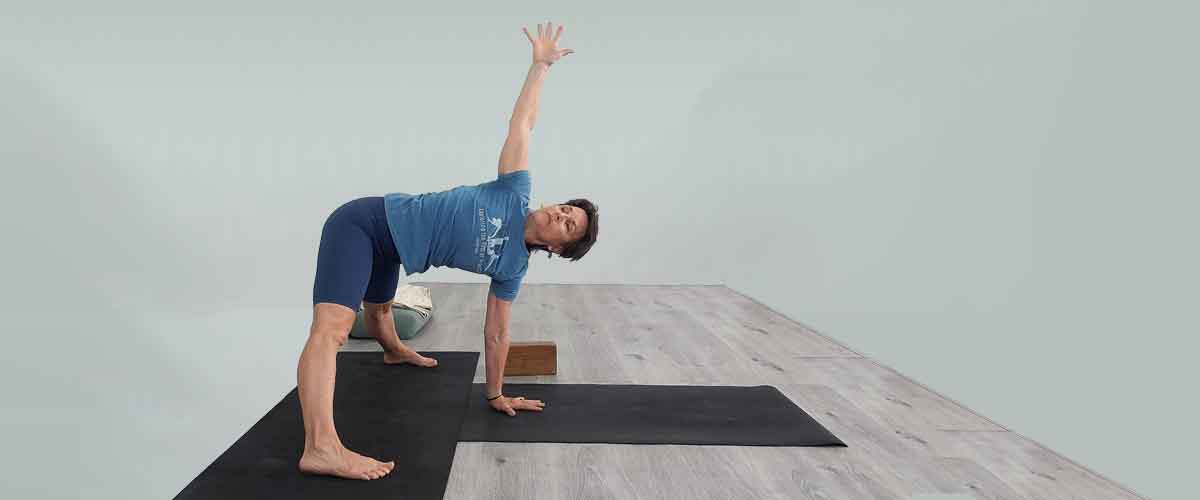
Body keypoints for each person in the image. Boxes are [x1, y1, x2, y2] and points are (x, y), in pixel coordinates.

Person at [296, 21, 596, 480]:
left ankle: (394, 350)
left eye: (569, 224)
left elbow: (497, 332)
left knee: (379, 317)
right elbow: (524, 123)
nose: (560, 214)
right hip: (364, 223)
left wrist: (495, 394)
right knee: (332, 330)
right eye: (565, 208)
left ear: (559, 248)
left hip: (392, 252)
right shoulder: (514, 189)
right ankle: (321, 446)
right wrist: (539, 67)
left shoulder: (512, 268)